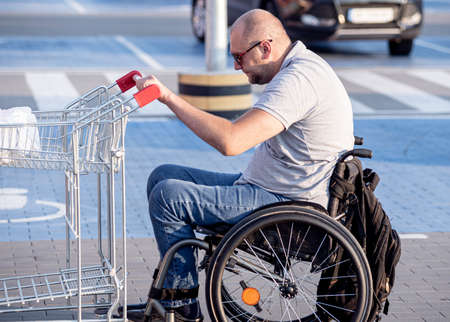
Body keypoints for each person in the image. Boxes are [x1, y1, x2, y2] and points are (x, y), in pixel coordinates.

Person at [128, 8, 354, 322]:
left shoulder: (299, 80)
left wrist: (168, 98)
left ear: (265, 47)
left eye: (239, 57)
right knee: (163, 175)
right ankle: (173, 290)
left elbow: (231, 141)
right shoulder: (297, 69)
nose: (237, 67)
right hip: (269, 190)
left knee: (169, 197)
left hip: (288, 206)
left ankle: (180, 306)